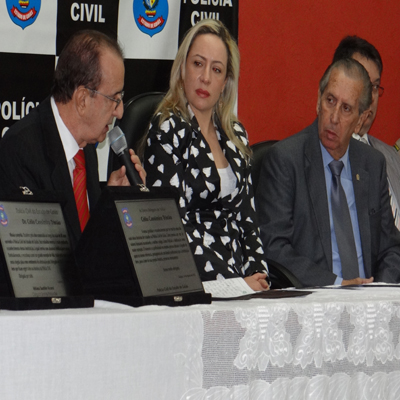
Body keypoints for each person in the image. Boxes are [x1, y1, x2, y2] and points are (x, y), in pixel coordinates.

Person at [143, 19, 269, 291]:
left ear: (225, 82)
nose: (206, 78)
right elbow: (172, 227)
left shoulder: (236, 134)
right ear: (182, 69)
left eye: (217, 69)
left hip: (241, 281)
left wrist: (259, 275)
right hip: (193, 282)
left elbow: (248, 220)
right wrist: (235, 285)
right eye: (198, 64)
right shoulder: (167, 130)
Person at [256, 58, 400, 287]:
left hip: (371, 299)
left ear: (360, 120)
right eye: (330, 100)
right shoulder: (285, 160)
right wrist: (337, 285)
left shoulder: (372, 164)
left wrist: (378, 292)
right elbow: (274, 248)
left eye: (346, 109)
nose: (334, 118)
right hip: (317, 298)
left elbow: (391, 248)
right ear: (318, 100)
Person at [0, 30, 145, 250]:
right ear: (82, 99)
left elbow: (88, 246)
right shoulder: (21, 152)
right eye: (114, 99)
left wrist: (110, 203)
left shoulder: (85, 146)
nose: (120, 112)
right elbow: (47, 259)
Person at [332, 36, 400, 230]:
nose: (370, 98)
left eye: (375, 87)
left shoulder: (392, 157)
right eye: (363, 84)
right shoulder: (320, 156)